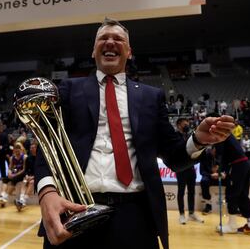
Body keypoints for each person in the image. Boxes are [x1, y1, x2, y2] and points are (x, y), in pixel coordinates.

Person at [35, 18, 235, 249]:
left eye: (118, 39)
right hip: (74, 209)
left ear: (129, 52)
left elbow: (174, 155)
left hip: (135, 216)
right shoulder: (67, 90)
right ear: (93, 51)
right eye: (103, 38)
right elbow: (47, 144)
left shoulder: (152, 97)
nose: (110, 42)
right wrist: (47, 192)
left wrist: (198, 140)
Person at [214, 134, 250, 236]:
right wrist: (223, 170)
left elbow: (221, 154)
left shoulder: (219, 135)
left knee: (231, 194)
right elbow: (225, 154)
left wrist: (220, 169)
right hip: (244, 164)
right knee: (242, 194)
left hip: (237, 165)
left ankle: (232, 226)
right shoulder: (227, 134)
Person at [174, 118, 203, 224]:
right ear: (178, 125)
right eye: (184, 124)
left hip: (191, 168)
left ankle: (191, 213)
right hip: (181, 168)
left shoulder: (190, 135)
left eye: (188, 123)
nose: (187, 125)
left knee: (192, 191)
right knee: (181, 191)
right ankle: (181, 214)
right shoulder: (175, 136)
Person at [199, 146, 225, 215]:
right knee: (204, 181)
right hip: (209, 176)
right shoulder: (204, 156)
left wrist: (221, 173)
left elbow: (225, 168)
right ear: (212, 150)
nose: (216, 153)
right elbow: (202, 172)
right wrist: (211, 175)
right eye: (215, 151)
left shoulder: (220, 156)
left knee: (231, 181)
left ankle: (233, 206)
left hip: (219, 176)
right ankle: (208, 206)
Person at [15, 142, 37, 210]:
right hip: (29, 176)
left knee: (31, 182)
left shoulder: (39, 159)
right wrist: (26, 175)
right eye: (31, 148)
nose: (31, 149)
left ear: (36, 148)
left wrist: (33, 177)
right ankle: (22, 201)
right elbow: (26, 169)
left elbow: (40, 171)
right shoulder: (28, 158)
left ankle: (23, 201)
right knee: (24, 181)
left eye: (33, 148)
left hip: (36, 177)